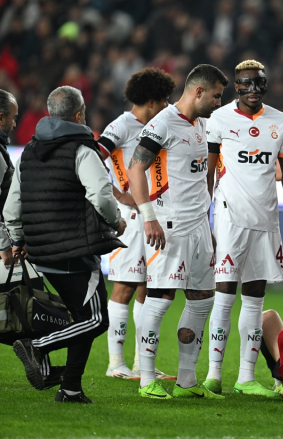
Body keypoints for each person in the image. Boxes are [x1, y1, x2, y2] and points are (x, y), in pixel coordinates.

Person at [6, 86, 127, 403]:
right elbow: (101, 195)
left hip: (40, 253)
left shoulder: (30, 150)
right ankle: (39, 347)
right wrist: (116, 222)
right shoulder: (82, 149)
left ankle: (70, 388)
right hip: (75, 251)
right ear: (79, 114)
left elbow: (11, 204)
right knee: (97, 319)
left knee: (81, 319)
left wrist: (18, 238)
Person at [205, 60, 283, 397]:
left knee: (254, 298)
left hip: (264, 220)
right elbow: (208, 172)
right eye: (246, 84)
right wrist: (204, 218)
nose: (253, 90)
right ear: (236, 86)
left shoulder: (281, 122)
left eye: (259, 84)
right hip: (229, 217)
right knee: (223, 295)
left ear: (266, 85)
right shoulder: (219, 119)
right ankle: (214, 374)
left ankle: (246, 378)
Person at [127, 64, 228, 400]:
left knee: (202, 298)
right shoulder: (163, 123)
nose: (218, 102)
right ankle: (146, 379)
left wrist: (207, 224)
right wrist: (148, 216)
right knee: (161, 297)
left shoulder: (201, 124)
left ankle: (186, 381)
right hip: (169, 225)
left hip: (198, 226)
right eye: (215, 95)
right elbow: (135, 168)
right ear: (198, 91)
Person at [97, 68, 177, 380]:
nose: (168, 105)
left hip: (149, 217)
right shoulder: (122, 125)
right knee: (125, 285)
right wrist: (117, 194)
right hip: (128, 220)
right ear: (151, 101)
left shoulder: (156, 125)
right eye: (164, 100)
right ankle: (115, 364)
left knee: (148, 285)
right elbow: (91, 155)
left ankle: (142, 363)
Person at [0, 89, 64, 390]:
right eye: (12, 117)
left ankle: (41, 364)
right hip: (4, 243)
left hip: (10, 239)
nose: (15, 123)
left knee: (26, 296)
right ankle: (35, 353)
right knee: (29, 297)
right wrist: (5, 245)